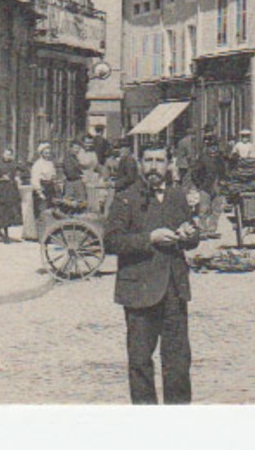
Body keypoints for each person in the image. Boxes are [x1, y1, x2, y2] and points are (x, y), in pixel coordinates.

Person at [105, 146, 202, 404]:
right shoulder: (125, 198)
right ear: (139, 164)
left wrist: (190, 235)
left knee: (178, 363)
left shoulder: (176, 197)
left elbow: (190, 238)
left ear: (169, 165)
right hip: (139, 290)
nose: (153, 167)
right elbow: (112, 241)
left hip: (173, 289)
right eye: (148, 160)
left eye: (160, 161)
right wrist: (150, 238)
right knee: (139, 362)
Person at [0, 149, 24, 243]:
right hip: (1, 191)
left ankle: (5, 233)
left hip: (11, 191)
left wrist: (19, 177)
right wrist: (1, 178)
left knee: (9, 212)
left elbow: (25, 170)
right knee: (1, 212)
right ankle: (0, 230)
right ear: (3, 155)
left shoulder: (13, 164)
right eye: (6, 154)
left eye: (10, 154)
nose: (8, 156)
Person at [29, 143, 59, 238]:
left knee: (50, 211)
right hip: (42, 188)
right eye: (45, 153)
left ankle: (49, 234)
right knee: (41, 212)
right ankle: (40, 234)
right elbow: (35, 179)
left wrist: (55, 181)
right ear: (41, 153)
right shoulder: (37, 164)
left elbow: (53, 176)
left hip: (50, 188)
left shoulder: (50, 163)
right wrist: (39, 192)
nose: (47, 155)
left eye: (49, 153)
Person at [61, 140, 88, 208]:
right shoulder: (68, 159)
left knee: (81, 202)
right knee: (70, 202)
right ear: (71, 148)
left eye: (78, 149)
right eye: (75, 148)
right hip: (72, 182)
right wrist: (80, 176)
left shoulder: (75, 158)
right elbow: (70, 173)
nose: (77, 150)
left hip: (77, 182)